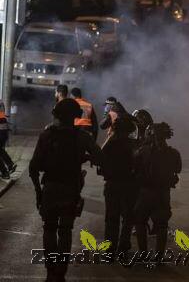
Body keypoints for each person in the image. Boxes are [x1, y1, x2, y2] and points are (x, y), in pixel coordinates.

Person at [29, 99, 101, 282]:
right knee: (66, 230)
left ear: (57, 115)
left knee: (49, 229)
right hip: (71, 189)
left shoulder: (46, 135)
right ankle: (61, 271)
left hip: (50, 189)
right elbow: (100, 157)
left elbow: (33, 167)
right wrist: (83, 157)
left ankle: (50, 270)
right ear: (75, 116)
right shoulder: (83, 137)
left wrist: (38, 191)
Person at [133, 122, 181, 259]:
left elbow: (134, 166)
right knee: (162, 225)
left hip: (145, 192)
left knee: (140, 221)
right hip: (163, 193)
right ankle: (159, 257)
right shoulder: (173, 153)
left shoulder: (143, 151)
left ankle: (143, 255)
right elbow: (178, 170)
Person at [101, 117, 138, 255]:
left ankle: (110, 249)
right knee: (128, 218)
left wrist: (109, 138)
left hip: (112, 184)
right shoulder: (133, 144)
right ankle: (123, 246)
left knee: (111, 218)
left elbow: (99, 157)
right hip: (129, 185)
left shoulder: (110, 144)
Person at [0, 100, 14, 179]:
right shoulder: (1, 102)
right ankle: (9, 165)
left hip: (1, 131)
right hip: (3, 131)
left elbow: (1, 117)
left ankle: (5, 172)